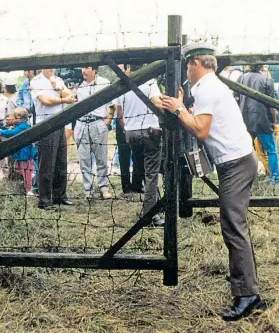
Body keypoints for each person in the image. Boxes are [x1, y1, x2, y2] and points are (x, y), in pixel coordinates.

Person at [161, 44, 260, 321]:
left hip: (235, 164)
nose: (185, 72)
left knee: (233, 228)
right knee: (236, 226)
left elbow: (201, 130)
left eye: (186, 66)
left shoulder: (207, 89)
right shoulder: (209, 86)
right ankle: (248, 285)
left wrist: (180, 109)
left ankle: (247, 295)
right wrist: (185, 106)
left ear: (194, 63)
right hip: (239, 160)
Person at [115, 64, 164, 226]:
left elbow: (119, 113)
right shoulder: (150, 83)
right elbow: (157, 103)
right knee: (151, 174)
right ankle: (150, 215)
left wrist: (128, 127)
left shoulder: (122, 84)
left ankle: (154, 206)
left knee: (144, 170)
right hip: (149, 131)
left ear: (129, 67)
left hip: (131, 133)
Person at [235, 65, 279, 187]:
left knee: (245, 151)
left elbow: (236, 101)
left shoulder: (241, 78)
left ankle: (245, 181)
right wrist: (274, 121)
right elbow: (271, 105)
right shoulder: (266, 80)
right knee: (271, 150)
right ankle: (276, 179)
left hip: (245, 120)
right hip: (263, 121)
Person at [30, 68, 75, 209]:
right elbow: (45, 101)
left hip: (60, 122)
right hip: (46, 123)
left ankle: (59, 196)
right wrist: (63, 99)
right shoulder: (36, 81)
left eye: (53, 67)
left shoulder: (58, 80)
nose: (51, 69)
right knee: (47, 163)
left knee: (61, 161)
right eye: (49, 66)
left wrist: (58, 87)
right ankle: (44, 200)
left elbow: (71, 96)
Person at [75, 65, 114, 199]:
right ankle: (88, 189)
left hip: (98, 123)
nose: (83, 70)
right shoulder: (79, 87)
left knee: (101, 157)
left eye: (87, 67)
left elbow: (111, 105)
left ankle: (103, 187)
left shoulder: (104, 83)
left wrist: (107, 122)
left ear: (94, 69)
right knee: (84, 158)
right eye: (82, 68)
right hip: (81, 124)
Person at [0, 108, 37, 195]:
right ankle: (30, 178)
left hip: (25, 154)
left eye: (15, 118)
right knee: (18, 168)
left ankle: (29, 189)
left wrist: (0, 131)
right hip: (22, 153)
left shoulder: (22, 127)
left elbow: (11, 133)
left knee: (26, 171)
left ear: (22, 118)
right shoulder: (22, 125)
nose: (14, 120)